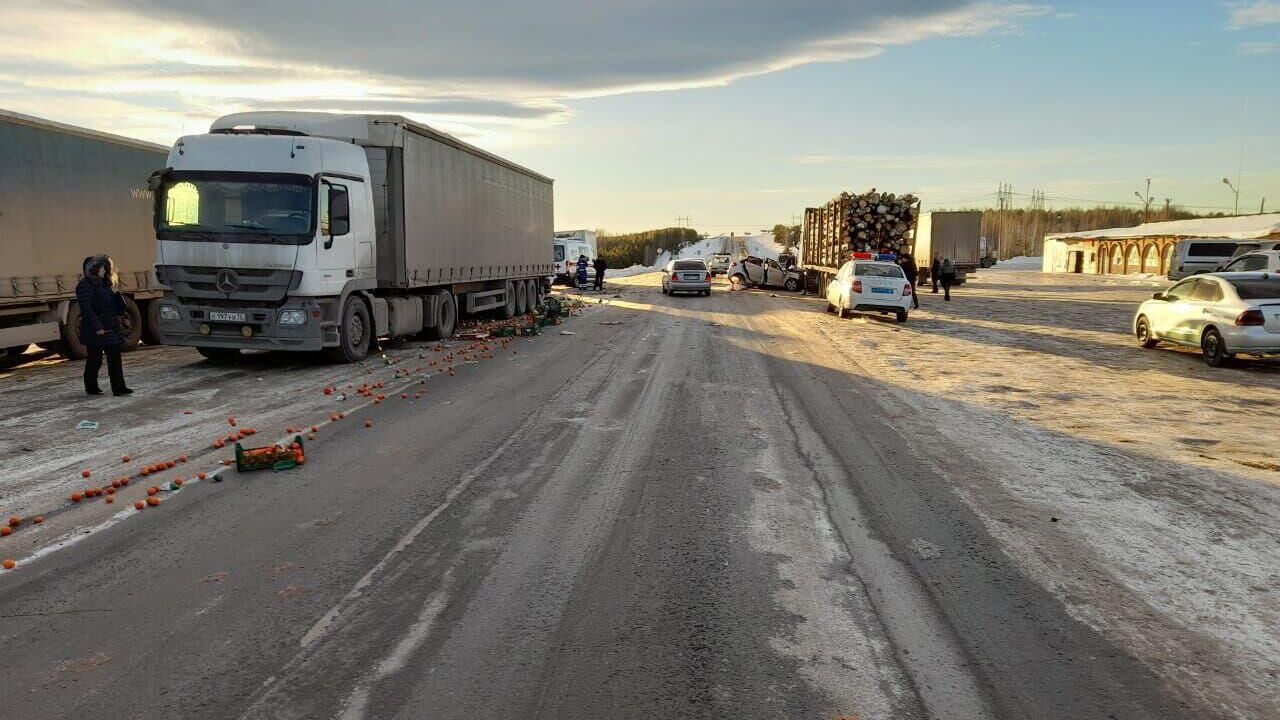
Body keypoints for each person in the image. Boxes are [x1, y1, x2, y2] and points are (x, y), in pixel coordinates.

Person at [75, 254, 132, 396]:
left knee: (115, 358)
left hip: (111, 327)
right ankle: (91, 386)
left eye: (104, 268)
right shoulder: (84, 285)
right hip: (96, 330)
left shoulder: (105, 284)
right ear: (91, 270)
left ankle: (119, 388)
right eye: (100, 268)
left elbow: (110, 306)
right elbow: (86, 308)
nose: (103, 271)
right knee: (95, 359)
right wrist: (97, 327)